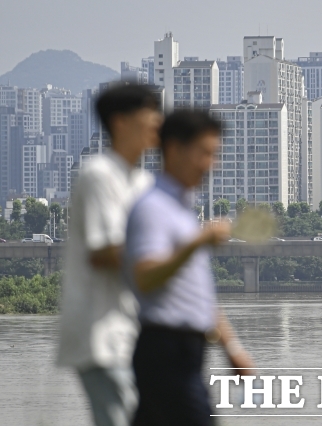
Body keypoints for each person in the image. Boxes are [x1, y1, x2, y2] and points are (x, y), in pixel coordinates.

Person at [125, 110, 254, 426]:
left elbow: (198, 293)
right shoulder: (152, 208)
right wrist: (198, 242)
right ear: (173, 149)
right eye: (205, 153)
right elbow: (145, 275)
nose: (211, 164)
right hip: (165, 351)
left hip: (185, 352)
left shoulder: (182, 211)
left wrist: (231, 347)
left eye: (215, 154)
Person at [57, 84, 162, 426]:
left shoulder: (143, 182)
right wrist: (180, 253)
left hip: (130, 333)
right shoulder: (99, 175)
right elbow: (105, 253)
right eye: (150, 114)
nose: (158, 122)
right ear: (120, 122)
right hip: (99, 334)